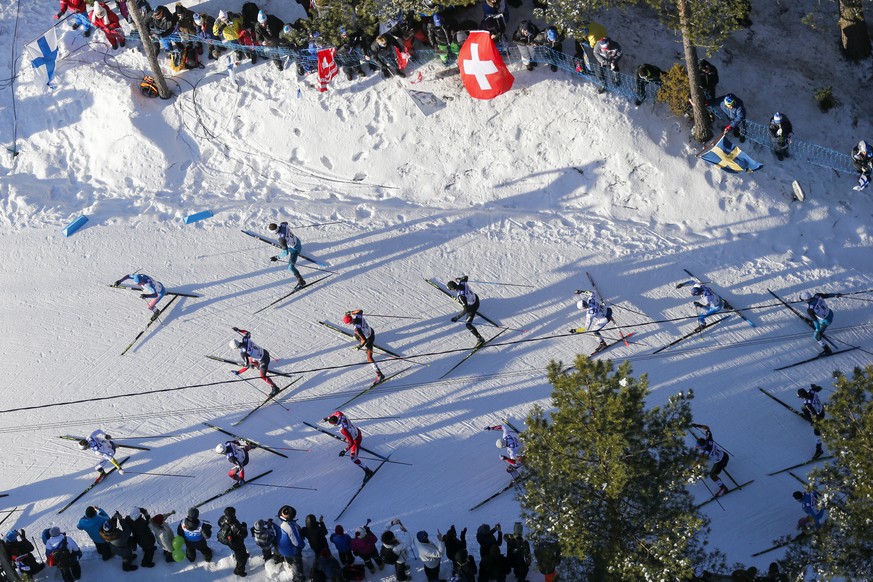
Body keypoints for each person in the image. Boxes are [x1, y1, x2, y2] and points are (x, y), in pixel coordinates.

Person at [325, 410, 376, 481]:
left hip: (356, 440)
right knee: (347, 438)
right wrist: (328, 418)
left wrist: (344, 451)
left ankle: (368, 471)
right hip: (357, 431)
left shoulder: (343, 430)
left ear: (335, 424)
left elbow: (351, 442)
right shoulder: (341, 416)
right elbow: (337, 412)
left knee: (353, 458)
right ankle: (354, 444)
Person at [229, 327, 280, 394]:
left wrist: (239, 372)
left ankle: (275, 387)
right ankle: (255, 364)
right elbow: (247, 333)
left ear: (235, 348)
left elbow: (247, 366)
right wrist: (239, 330)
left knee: (262, 376)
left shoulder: (243, 353)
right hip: (265, 352)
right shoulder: (245, 339)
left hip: (264, 360)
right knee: (251, 357)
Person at [343, 310, 385, 384]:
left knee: (369, 358)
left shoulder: (357, 329)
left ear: (349, 323)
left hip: (369, 339)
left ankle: (380, 375)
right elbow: (360, 311)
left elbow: (364, 340)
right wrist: (351, 312)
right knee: (358, 335)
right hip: (371, 331)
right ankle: (356, 337)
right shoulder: (357, 316)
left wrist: (359, 346)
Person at [691, 423, 729, 496]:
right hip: (725, 455)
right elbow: (707, 428)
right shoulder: (709, 441)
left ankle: (723, 488)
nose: (697, 446)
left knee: (712, 475)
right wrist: (697, 425)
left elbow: (697, 462)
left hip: (721, 462)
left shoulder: (704, 453)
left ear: (702, 446)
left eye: (698, 446)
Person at [447, 276, 486, 347]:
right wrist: (459, 279)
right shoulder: (462, 282)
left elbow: (466, 310)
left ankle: (480, 339)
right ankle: (466, 302)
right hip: (476, 298)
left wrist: (457, 317)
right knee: (464, 301)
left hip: (473, 306)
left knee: (468, 325)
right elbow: (466, 277)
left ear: (453, 289)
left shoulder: (460, 296)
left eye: (450, 289)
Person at [267, 222, 306, 289]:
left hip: (295, 249)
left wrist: (276, 257)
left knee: (290, 268)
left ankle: (301, 281)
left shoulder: (281, 239)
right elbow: (286, 223)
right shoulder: (282, 224)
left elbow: (286, 253)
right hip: (297, 241)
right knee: (287, 245)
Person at [800, 290, 835, 355]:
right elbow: (827, 295)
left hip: (826, 321)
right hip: (830, 313)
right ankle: (815, 325)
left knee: (816, 336)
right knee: (815, 315)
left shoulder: (810, 310)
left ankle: (827, 350)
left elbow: (816, 322)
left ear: (805, 300)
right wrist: (836, 294)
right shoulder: (817, 295)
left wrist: (818, 331)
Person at [217, 506, 249, 577]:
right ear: (233, 514)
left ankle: (243, 555)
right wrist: (244, 527)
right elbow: (244, 534)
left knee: (241, 550)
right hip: (236, 543)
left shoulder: (222, 518)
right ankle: (239, 571)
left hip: (228, 541)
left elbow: (219, 523)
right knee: (241, 557)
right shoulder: (235, 524)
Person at [797, 384, 826, 459]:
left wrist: (813, 422)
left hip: (819, 415)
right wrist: (814, 387)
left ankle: (819, 449)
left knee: (816, 432)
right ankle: (809, 418)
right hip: (821, 409)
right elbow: (819, 388)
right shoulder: (811, 391)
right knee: (804, 409)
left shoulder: (807, 403)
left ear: (802, 396)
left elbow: (814, 413)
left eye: (800, 397)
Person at [276, 505, 305, 575]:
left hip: (281, 547)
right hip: (290, 551)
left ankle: (289, 564)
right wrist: (302, 544)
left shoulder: (278, 521)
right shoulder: (290, 527)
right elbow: (297, 543)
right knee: (297, 562)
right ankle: (298, 577)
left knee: (290, 560)